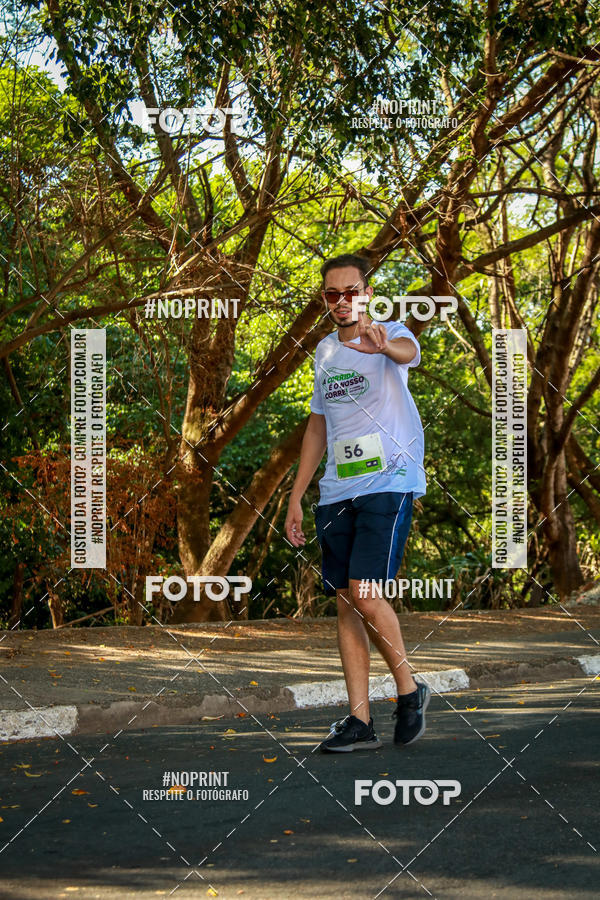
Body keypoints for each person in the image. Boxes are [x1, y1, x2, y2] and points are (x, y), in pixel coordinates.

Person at [285, 253, 430, 752]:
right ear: (325, 300)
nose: (342, 300)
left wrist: (384, 344)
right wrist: (297, 497)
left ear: (367, 293)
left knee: (366, 593)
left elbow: (408, 354)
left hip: (389, 481)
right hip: (338, 490)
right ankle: (360, 722)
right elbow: (318, 426)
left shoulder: (391, 332)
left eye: (352, 291)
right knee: (348, 603)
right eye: (332, 293)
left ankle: (409, 691)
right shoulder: (324, 352)